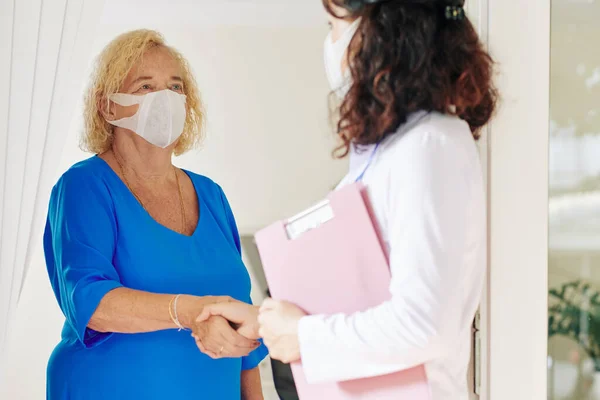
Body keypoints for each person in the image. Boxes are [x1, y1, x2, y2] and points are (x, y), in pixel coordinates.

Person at [197, 0, 497, 399]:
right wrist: (267, 322)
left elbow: (424, 324)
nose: (330, 43)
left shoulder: (430, 146)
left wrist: (302, 334)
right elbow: (363, 299)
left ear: (380, 32)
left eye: (333, 25)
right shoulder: (390, 151)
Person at [43, 29, 267, 399]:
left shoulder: (210, 195)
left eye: (175, 87)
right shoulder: (85, 186)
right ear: (108, 106)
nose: (165, 98)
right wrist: (193, 311)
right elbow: (92, 303)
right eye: (146, 86)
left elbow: (240, 318)